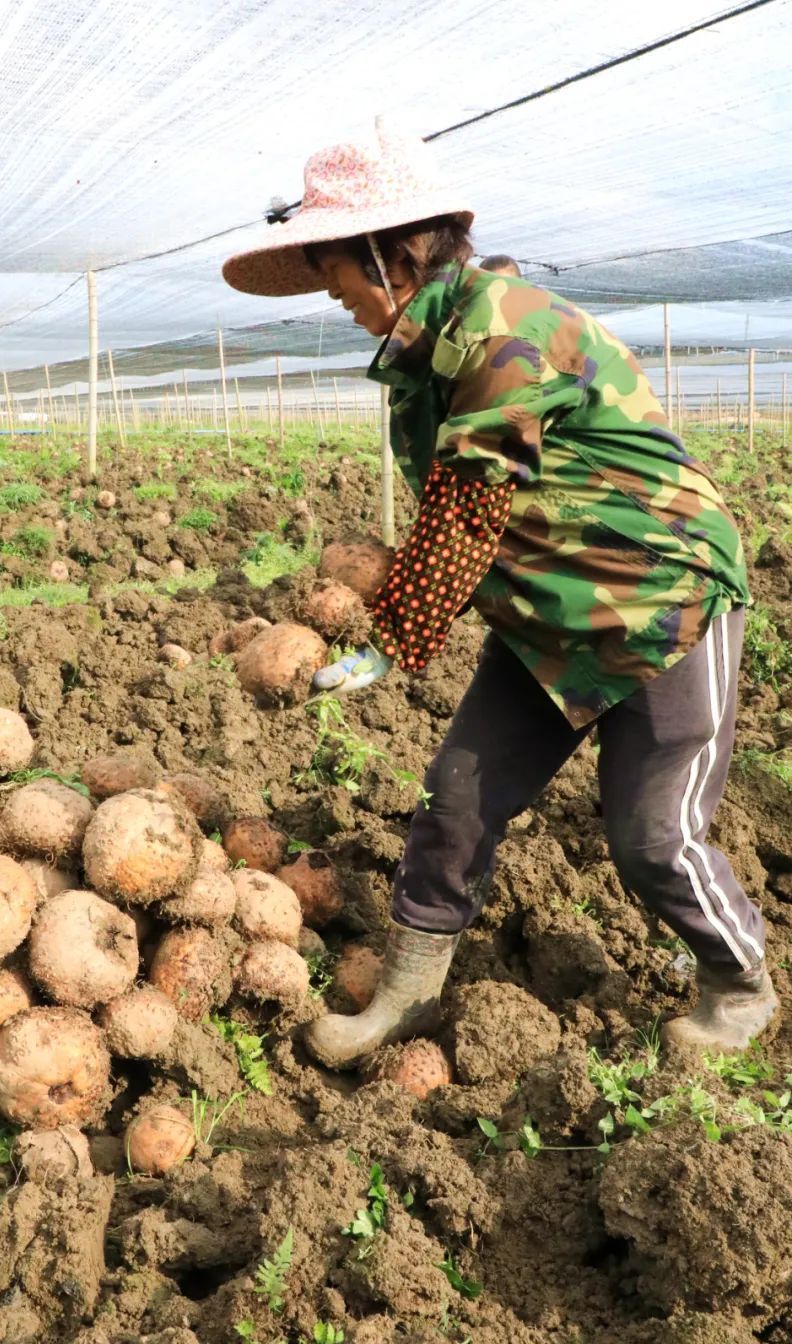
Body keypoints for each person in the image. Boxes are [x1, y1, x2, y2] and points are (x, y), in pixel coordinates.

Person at [222, 121, 778, 1068]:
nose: (337, 297)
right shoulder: (427, 348)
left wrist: (393, 637)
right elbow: (459, 506)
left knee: (652, 837)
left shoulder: (506, 325)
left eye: (339, 275)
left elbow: (469, 507)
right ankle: (406, 991)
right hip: (544, 614)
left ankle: (739, 981)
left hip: (658, 602)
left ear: (389, 255)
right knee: (458, 795)